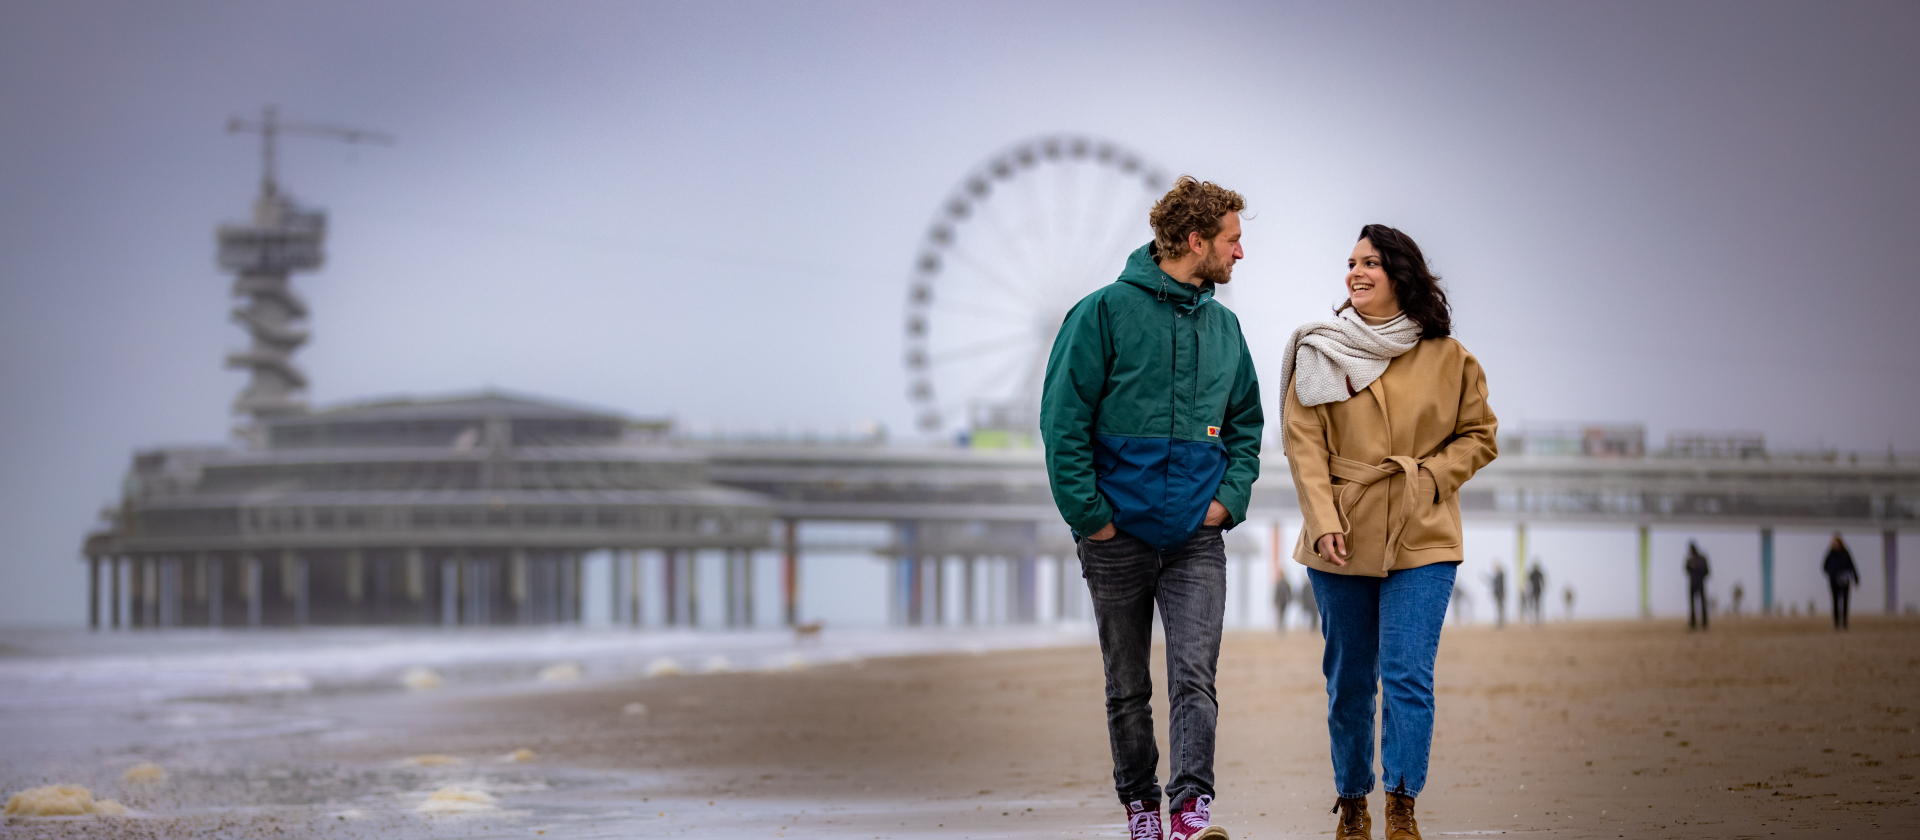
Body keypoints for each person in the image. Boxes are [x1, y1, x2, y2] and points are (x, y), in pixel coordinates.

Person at [1041, 176, 1258, 840]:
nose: (1240, 254)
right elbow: (1062, 424)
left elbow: (1246, 425)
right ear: (1196, 241)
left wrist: (1228, 501)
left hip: (1196, 537)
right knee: (1127, 684)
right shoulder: (1101, 313)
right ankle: (1140, 809)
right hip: (1117, 539)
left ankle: (1192, 809)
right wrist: (1093, 518)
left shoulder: (1225, 328)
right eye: (1232, 239)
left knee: (1195, 674)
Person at [1283, 225, 1497, 840]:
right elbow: (1304, 447)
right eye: (1350, 262)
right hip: (1340, 533)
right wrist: (1323, 522)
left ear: (1401, 274)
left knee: (1407, 673)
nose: (1356, 271)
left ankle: (1403, 805)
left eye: (1371, 262)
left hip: (1422, 531)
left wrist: (1430, 479)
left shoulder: (1451, 358)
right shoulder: (1318, 350)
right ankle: (1353, 801)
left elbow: (1480, 435)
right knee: (1349, 677)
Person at [1823, 533, 1859, 630]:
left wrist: (1856, 578)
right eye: (1833, 543)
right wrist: (1831, 573)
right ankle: (1836, 623)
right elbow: (1824, 566)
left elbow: (1852, 566)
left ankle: (1845, 622)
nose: (1835, 545)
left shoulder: (1845, 554)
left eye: (1836, 543)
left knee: (1845, 602)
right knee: (1835, 602)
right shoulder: (1830, 554)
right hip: (1834, 582)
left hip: (1845, 582)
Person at [1685, 542, 1711, 631]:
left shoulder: (1702, 559)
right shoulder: (1689, 560)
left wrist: (1697, 571)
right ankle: (1693, 623)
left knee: (1703, 604)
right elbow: (1686, 570)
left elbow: (1707, 571)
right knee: (1692, 605)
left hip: (1700, 583)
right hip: (1692, 584)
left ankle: (1704, 623)